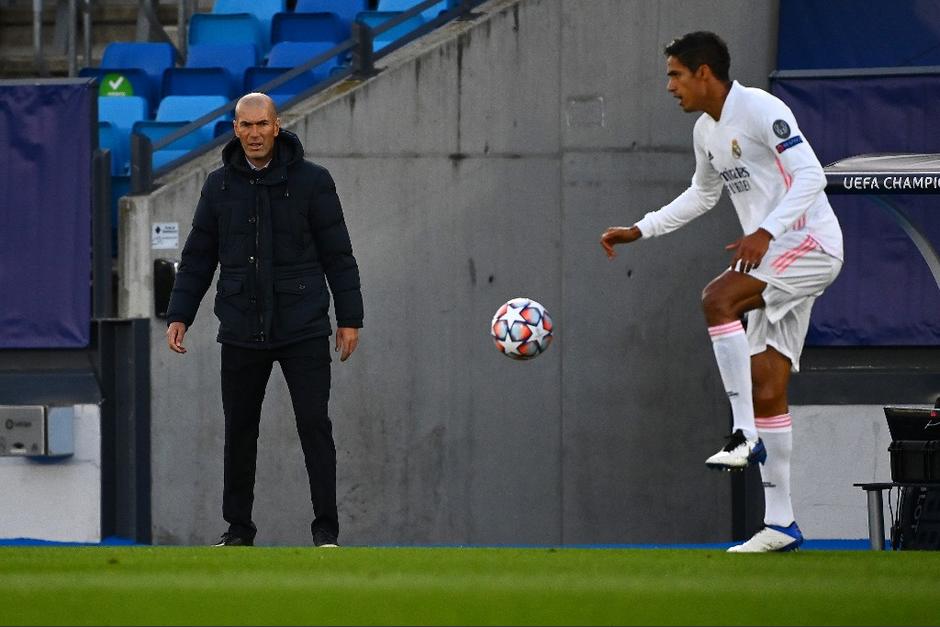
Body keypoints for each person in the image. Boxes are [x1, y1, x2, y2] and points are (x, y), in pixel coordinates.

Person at [600, 32, 843, 552]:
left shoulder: (759, 107)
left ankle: (744, 434)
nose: (670, 86)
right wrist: (640, 229)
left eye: (675, 74)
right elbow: (702, 194)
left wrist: (765, 232)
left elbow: (810, 176)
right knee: (768, 384)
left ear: (704, 72)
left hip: (809, 244)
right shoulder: (706, 131)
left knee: (717, 298)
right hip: (773, 256)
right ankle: (781, 524)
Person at [165, 92, 363, 548]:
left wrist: (349, 318)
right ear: (235, 129)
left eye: (261, 125)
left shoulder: (314, 181)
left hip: (304, 326)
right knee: (239, 431)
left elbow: (339, 254)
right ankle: (238, 530)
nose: (253, 133)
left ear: (277, 126)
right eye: (244, 125)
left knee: (314, 424)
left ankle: (326, 531)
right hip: (239, 326)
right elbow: (198, 256)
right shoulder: (218, 186)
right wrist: (180, 313)